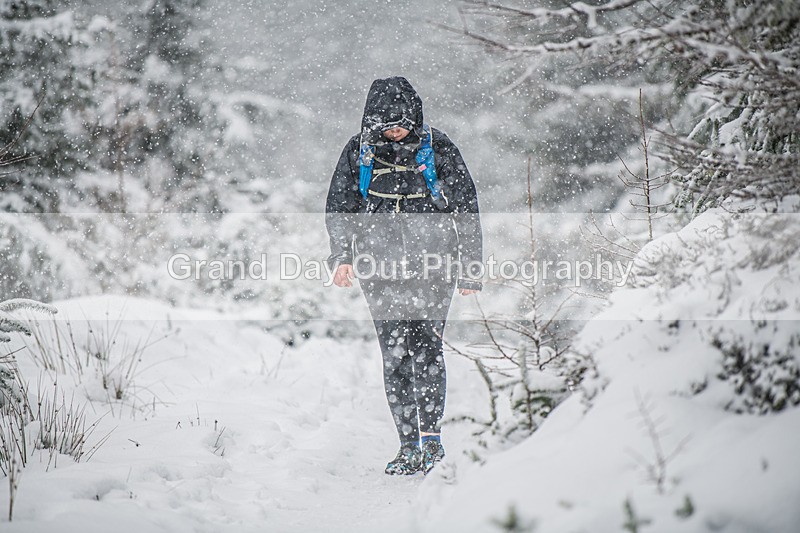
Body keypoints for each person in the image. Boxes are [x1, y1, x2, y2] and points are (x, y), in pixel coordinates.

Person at [325, 76, 483, 475]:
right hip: (378, 269)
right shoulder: (359, 151)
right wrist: (341, 256)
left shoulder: (438, 148)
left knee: (427, 349)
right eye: (385, 126)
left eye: (399, 124)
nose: (393, 132)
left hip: (434, 266)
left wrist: (471, 266)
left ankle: (432, 443)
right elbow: (340, 205)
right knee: (394, 355)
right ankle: (408, 446)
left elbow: (466, 206)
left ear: (413, 117)